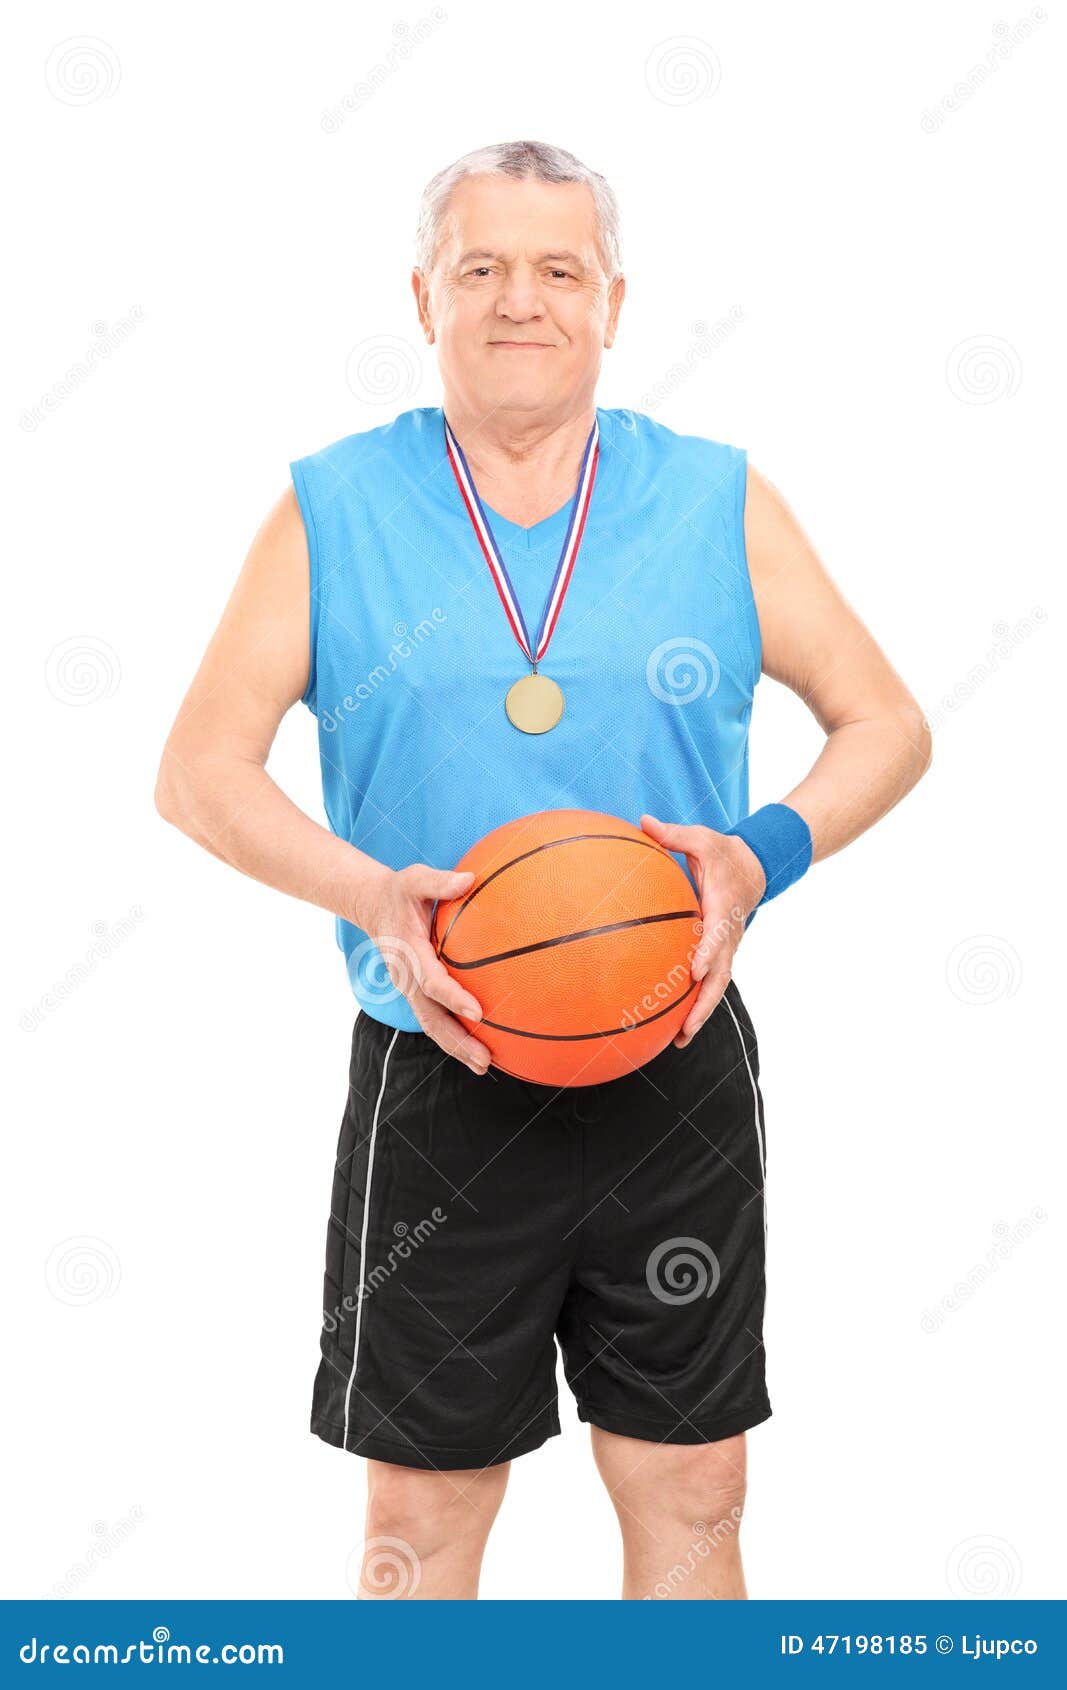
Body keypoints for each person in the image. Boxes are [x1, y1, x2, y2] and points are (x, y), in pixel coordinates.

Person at [156, 140, 931, 1600]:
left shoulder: (715, 497)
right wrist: (373, 894)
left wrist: (759, 857)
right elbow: (197, 769)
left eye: (559, 269)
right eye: (484, 267)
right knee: (424, 1516)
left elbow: (888, 721)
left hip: (674, 1055)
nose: (523, 299)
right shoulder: (332, 506)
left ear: (614, 303)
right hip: (439, 1062)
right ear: (425, 294)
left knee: (695, 1492)